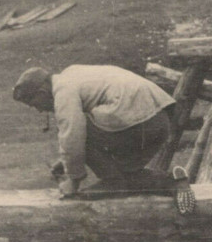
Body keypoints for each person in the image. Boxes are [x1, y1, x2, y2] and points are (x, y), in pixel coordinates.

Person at [12, 64, 187, 202]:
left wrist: (73, 179)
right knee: (127, 173)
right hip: (159, 122)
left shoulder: (62, 90)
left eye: (35, 104)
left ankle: (112, 182)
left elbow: (73, 135)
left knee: (75, 130)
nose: (39, 110)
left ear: (42, 92)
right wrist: (66, 161)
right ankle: (173, 182)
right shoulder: (73, 73)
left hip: (136, 122)